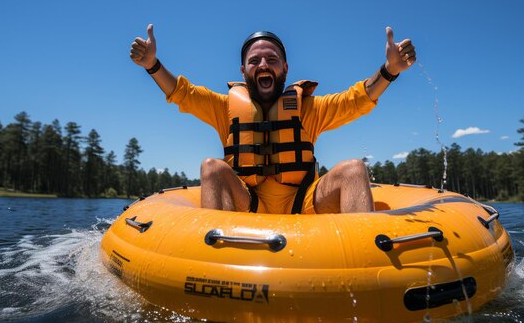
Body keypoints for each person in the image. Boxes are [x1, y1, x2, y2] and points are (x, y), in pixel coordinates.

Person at [129, 25, 415, 214]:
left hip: (303, 204)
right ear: (243, 71)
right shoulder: (222, 108)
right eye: (254, 61)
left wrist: (390, 70)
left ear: (285, 68)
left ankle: (363, 273)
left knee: (354, 169)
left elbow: (356, 101)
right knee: (212, 169)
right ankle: (212, 270)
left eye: (272, 60)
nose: (263, 65)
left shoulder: (308, 109)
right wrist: (151, 65)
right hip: (248, 203)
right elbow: (182, 93)